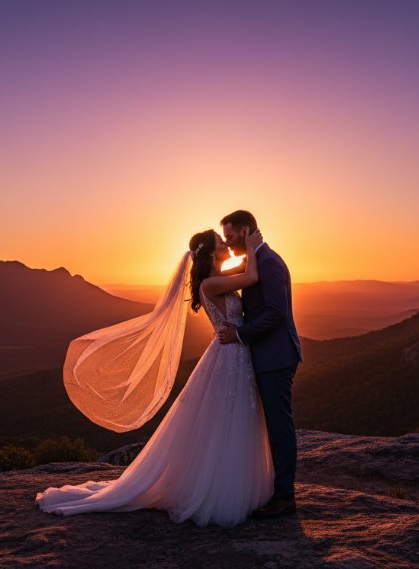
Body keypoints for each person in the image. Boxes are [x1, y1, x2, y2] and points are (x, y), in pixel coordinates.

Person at [36, 226, 274, 528]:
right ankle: (217, 489)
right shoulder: (210, 284)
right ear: (213, 253)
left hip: (234, 354)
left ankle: (228, 481)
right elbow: (251, 276)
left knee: (232, 419)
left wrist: (252, 251)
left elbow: (244, 268)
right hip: (228, 357)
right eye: (221, 244)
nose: (227, 247)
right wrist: (253, 245)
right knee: (224, 420)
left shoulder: (217, 278)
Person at [217, 210, 302, 519]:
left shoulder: (269, 262)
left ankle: (284, 497)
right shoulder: (257, 259)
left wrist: (239, 333)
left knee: (280, 427)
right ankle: (275, 490)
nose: (227, 244)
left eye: (230, 237)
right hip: (266, 357)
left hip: (276, 357)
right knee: (272, 427)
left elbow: (276, 313)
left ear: (246, 231)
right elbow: (230, 274)